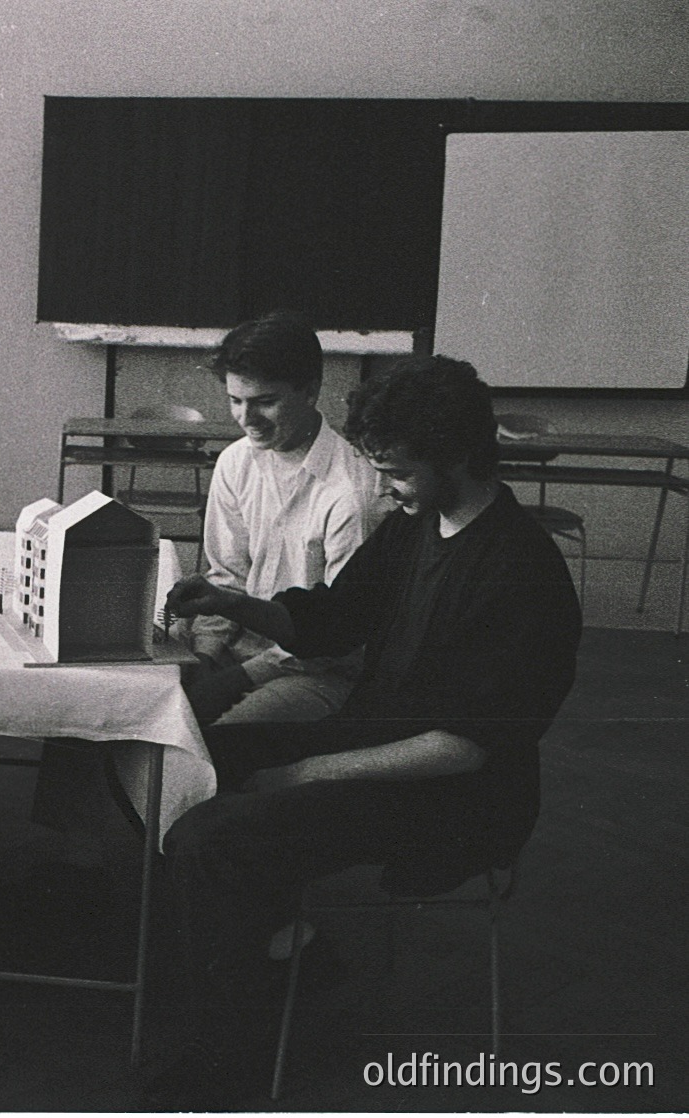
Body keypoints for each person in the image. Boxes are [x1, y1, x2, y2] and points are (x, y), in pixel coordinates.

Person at [148, 355, 582, 1106]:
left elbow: (465, 746)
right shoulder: (417, 525)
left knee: (213, 837)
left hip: (457, 797)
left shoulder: (520, 572)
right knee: (181, 756)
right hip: (373, 741)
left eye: (397, 472)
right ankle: (270, 955)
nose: (383, 489)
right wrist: (235, 604)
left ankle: (231, 1059)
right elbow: (332, 620)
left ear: (455, 457)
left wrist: (303, 774)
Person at [186, 310, 384, 725]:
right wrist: (204, 658)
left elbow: (340, 635)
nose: (246, 419)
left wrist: (230, 680)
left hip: (319, 671)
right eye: (235, 401)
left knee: (223, 738)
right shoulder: (235, 462)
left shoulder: (353, 493)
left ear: (310, 391)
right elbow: (226, 576)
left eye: (265, 402)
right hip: (238, 655)